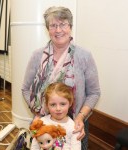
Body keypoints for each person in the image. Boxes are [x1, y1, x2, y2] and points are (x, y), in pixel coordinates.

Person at [22, 6, 101, 150]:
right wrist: (38, 113)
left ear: (70, 26)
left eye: (63, 24)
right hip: (44, 125)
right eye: (53, 25)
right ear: (48, 29)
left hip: (75, 125)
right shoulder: (37, 56)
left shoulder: (84, 56)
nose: (58, 30)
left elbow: (94, 93)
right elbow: (25, 89)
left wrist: (80, 118)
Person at [29, 82, 81, 150]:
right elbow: (35, 146)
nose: (58, 109)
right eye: (53, 105)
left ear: (70, 103)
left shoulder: (73, 127)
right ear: (47, 105)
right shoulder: (42, 122)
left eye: (62, 104)